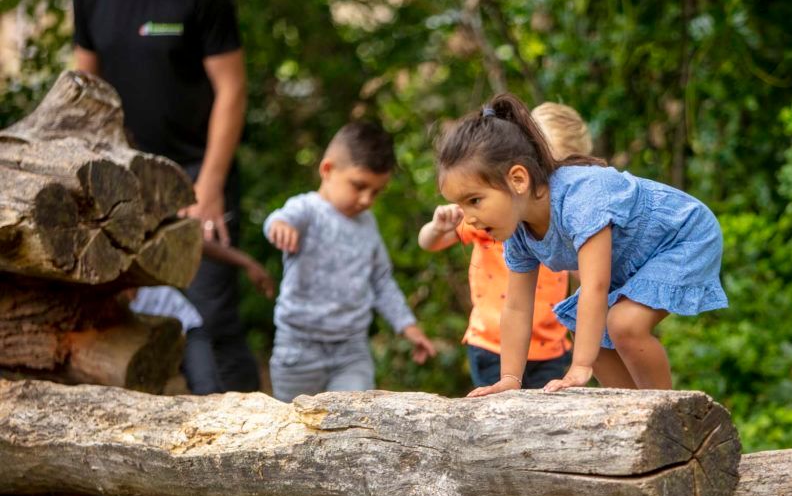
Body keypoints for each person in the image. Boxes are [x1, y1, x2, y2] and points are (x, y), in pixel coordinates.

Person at [435, 93, 728, 396]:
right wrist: (510, 379)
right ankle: (633, 410)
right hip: (635, 258)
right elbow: (517, 307)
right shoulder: (519, 232)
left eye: (474, 201)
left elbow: (594, 287)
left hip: (682, 236)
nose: (467, 218)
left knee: (624, 325)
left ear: (518, 180)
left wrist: (579, 367)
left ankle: (669, 412)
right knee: (587, 327)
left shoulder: (580, 198)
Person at [72, 0, 259, 391]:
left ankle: (245, 438)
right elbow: (84, 91)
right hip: (121, 180)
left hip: (195, 175)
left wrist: (209, 185)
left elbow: (231, 89)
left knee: (212, 315)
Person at [418, 102, 594, 388]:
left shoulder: (566, 217)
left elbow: (587, 277)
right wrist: (437, 228)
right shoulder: (485, 213)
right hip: (494, 344)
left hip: (552, 346)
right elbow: (430, 243)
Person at [264, 121, 436, 402]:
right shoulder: (307, 209)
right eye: (359, 186)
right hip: (298, 347)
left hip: (351, 350)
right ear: (328, 170)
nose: (367, 199)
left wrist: (408, 326)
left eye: (376, 191)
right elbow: (278, 218)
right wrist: (280, 225)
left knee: (353, 415)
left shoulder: (368, 225)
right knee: (291, 425)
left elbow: (381, 280)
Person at [127, 241, 274, 395]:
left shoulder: (142, 241)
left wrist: (248, 263)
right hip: (138, 339)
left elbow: (197, 242)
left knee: (208, 391)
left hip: (185, 327)